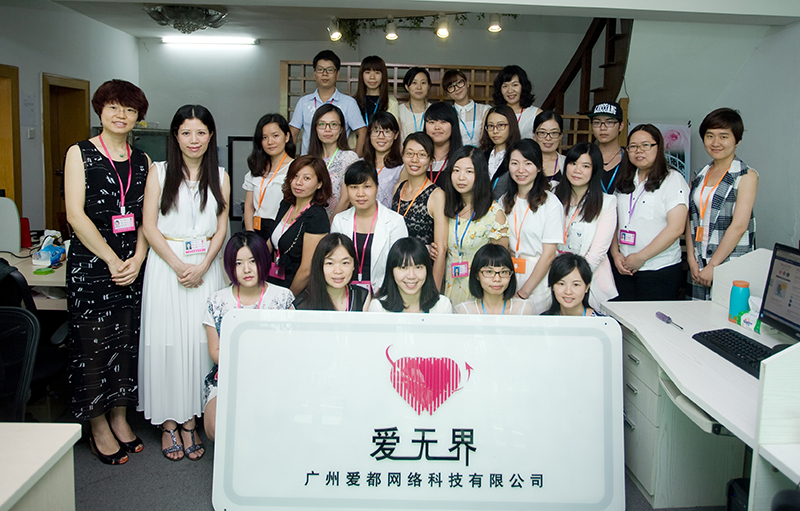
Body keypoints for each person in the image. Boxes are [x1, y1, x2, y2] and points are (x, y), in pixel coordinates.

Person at [64, 79, 150, 465]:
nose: (121, 115)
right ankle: (97, 424)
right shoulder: (79, 153)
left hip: (132, 266)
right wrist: (112, 260)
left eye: (130, 110)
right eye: (114, 107)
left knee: (126, 342)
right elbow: (75, 215)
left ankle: (119, 416)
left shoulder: (143, 160)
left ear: (137, 117)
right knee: (93, 347)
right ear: (100, 110)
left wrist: (139, 258)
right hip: (93, 266)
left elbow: (149, 217)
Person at [140, 104, 230, 461]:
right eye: (186, 132)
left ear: (211, 136)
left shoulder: (220, 176)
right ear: (175, 137)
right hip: (167, 267)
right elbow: (149, 226)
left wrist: (204, 264)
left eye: (201, 132)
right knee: (168, 342)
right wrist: (179, 265)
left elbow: (221, 228)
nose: (194, 139)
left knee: (200, 344)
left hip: (207, 268)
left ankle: (192, 419)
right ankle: (168, 423)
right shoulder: (159, 172)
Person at [202, 232, 294, 442]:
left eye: (253, 261)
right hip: (229, 375)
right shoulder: (217, 301)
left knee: (271, 424)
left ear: (263, 261)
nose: (246, 269)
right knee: (216, 427)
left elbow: (290, 347)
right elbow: (215, 351)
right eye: (238, 263)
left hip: (272, 375)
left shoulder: (282, 297)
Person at [610, 124, 689, 301]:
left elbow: (676, 228)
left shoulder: (672, 180)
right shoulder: (625, 179)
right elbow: (614, 221)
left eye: (646, 145)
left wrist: (641, 257)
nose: (639, 151)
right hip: (623, 267)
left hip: (659, 269)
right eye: (633, 146)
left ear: (658, 148)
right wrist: (615, 254)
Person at [686, 108, 758, 300]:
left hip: (729, 262)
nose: (715, 142)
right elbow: (690, 218)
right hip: (699, 261)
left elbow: (739, 225)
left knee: (727, 313)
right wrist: (691, 259)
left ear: (737, 140)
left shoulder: (746, 175)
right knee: (695, 314)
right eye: (710, 136)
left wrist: (713, 265)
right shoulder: (700, 175)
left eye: (723, 136)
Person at [501, 139, 563, 314]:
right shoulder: (504, 200)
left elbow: (549, 255)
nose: (521, 170)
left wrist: (524, 293)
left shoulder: (551, 204)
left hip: (537, 277)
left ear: (538, 167)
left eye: (528, 163)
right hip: (508, 274)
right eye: (515, 163)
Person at [554, 142, 618, 307]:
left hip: (589, 282)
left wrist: (572, 282)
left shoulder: (607, 203)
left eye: (585, 166)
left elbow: (597, 253)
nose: (577, 170)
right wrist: (558, 280)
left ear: (594, 170)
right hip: (553, 279)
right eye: (573, 163)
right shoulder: (553, 196)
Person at [443, 146, 509, 306]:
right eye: (456, 170)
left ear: (480, 174)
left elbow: (500, 264)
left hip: (479, 292)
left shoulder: (494, 214)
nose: (461, 177)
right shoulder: (447, 208)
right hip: (449, 286)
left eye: (469, 171)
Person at [331, 161, 408, 294]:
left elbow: (401, 265)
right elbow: (333, 262)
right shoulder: (340, 220)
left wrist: (383, 294)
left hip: (384, 295)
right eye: (354, 187)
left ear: (377, 187)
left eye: (367, 186)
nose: (360, 193)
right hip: (345, 295)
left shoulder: (395, 222)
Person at [266, 155, 332, 295]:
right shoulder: (286, 205)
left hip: (297, 289)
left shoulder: (317, 217)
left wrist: (287, 299)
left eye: (306, 178)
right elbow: (272, 241)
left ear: (319, 184)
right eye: (295, 176)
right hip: (275, 279)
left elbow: (306, 271)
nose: (298, 182)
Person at [391, 133, 448, 288]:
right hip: (397, 270)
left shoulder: (437, 195)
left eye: (422, 155)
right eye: (409, 153)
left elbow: (441, 249)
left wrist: (434, 290)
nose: (414, 160)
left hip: (422, 274)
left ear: (431, 159)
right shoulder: (398, 188)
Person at [289, 49, 366, 155]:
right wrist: (290, 161)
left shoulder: (349, 103)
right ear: (314, 73)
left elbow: (362, 132)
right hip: (309, 161)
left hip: (338, 163)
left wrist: (355, 158)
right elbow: (293, 134)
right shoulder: (304, 102)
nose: (325, 74)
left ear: (337, 74)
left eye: (330, 70)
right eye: (320, 69)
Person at [243, 113, 295, 238]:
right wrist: (250, 234)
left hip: (281, 230)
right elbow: (249, 206)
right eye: (264, 137)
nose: (270, 142)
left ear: (287, 137)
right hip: (256, 229)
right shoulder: (256, 168)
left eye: (275, 136)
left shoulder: (295, 168)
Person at [369, 237, 453, 313]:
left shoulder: (442, 306)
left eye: (418, 267)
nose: (411, 276)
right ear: (391, 271)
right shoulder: (378, 308)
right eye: (403, 267)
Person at [293, 233, 371, 311]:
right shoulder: (301, 305)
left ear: (354, 265)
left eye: (345, 263)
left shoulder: (362, 297)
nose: (338, 271)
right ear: (319, 265)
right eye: (330, 263)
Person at [306, 104, 359, 217]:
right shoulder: (308, 159)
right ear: (315, 128)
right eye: (322, 124)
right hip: (311, 220)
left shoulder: (349, 158)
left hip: (338, 221)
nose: (327, 129)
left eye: (333, 124)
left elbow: (345, 200)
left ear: (341, 129)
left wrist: (330, 225)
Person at [454, 244, 534, 315]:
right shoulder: (464, 311)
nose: (497, 279)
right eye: (489, 272)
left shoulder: (523, 309)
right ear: (477, 275)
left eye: (503, 272)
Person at [361, 111, 404, 209]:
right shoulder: (360, 164)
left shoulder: (401, 168)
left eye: (387, 131)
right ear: (369, 134)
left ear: (396, 135)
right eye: (376, 131)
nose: (381, 136)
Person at [442, 69, 491, 147]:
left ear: (467, 83)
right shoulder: (446, 113)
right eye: (451, 86)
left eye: (459, 83)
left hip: (480, 153)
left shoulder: (485, 110)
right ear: (447, 93)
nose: (457, 88)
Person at [588, 102, 627, 194]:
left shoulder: (630, 158)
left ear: (621, 126)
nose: (602, 128)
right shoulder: (585, 157)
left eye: (609, 122)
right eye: (597, 122)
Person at [492, 65, 541, 140]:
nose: (510, 91)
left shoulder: (535, 114)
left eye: (515, 85)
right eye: (505, 86)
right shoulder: (494, 114)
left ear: (523, 86)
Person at [423, 102, 463, 188]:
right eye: (432, 122)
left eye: (443, 122)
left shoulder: (463, 159)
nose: (437, 127)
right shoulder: (417, 158)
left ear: (453, 125)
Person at [479, 105, 521, 183]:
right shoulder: (481, 154)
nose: (495, 131)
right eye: (491, 126)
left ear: (511, 125)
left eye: (501, 125)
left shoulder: (519, 155)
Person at [354, 55, 399, 127]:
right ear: (361, 75)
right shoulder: (353, 102)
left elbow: (392, 130)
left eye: (377, 72)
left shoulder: (391, 102)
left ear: (383, 75)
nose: (372, 77)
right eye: (368, 72)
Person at [533, 110, 566, 183]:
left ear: (561, 135)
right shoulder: (523, 162)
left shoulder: (567, 163)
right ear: (534, 134)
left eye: (554, 133)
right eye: (542, 132)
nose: (548, 138)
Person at [398, 67, 431, 140]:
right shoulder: (399, 111)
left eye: (423, 83)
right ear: (407, 87)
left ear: (428, 86)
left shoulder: (434, 110)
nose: (419, 87)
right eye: (414, 83)